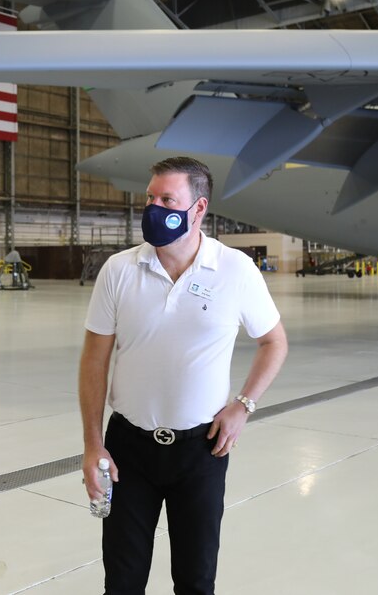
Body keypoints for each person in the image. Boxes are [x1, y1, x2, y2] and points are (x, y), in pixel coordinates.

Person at [78, 156, 288, 595]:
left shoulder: (235, 270)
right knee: (122, 580)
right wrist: (92, 444)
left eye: (167, 199)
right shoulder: (119, 270)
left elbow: (274, 342)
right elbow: (94, 360)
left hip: (201, 452)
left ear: (199, 208)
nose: (153, 207)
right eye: (150, 197)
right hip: (128, 451)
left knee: (195, 580)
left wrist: (243, 406)